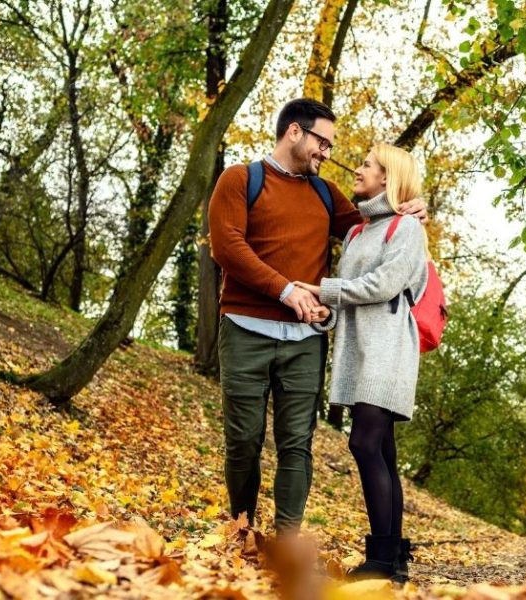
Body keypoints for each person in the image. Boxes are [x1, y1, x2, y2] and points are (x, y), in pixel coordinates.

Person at [208, 99, 425, 535]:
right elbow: (227, 247)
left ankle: (286, 540)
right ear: (294, 132)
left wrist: (412, 205)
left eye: (330, 145)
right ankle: (241, 529)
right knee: (243, 442)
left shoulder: (325, 194)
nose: (327, 153)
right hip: (244, 330)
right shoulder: (240, 180)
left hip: (305, 340)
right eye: (321, 142)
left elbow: (376, 225)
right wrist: (286, 290)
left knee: (296, 445)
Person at [295, 143, 428, 581]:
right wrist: (323, 312)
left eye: (368, 164)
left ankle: (379, 561)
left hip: (389, 349)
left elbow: (385, 284)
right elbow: (349, 291)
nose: (358, 167)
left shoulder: (407, 229)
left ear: (388, 177)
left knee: (364, 444)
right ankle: (393, 560)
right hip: (357, 349)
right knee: (383, 449)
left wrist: (324, 291)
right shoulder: (356, 233)